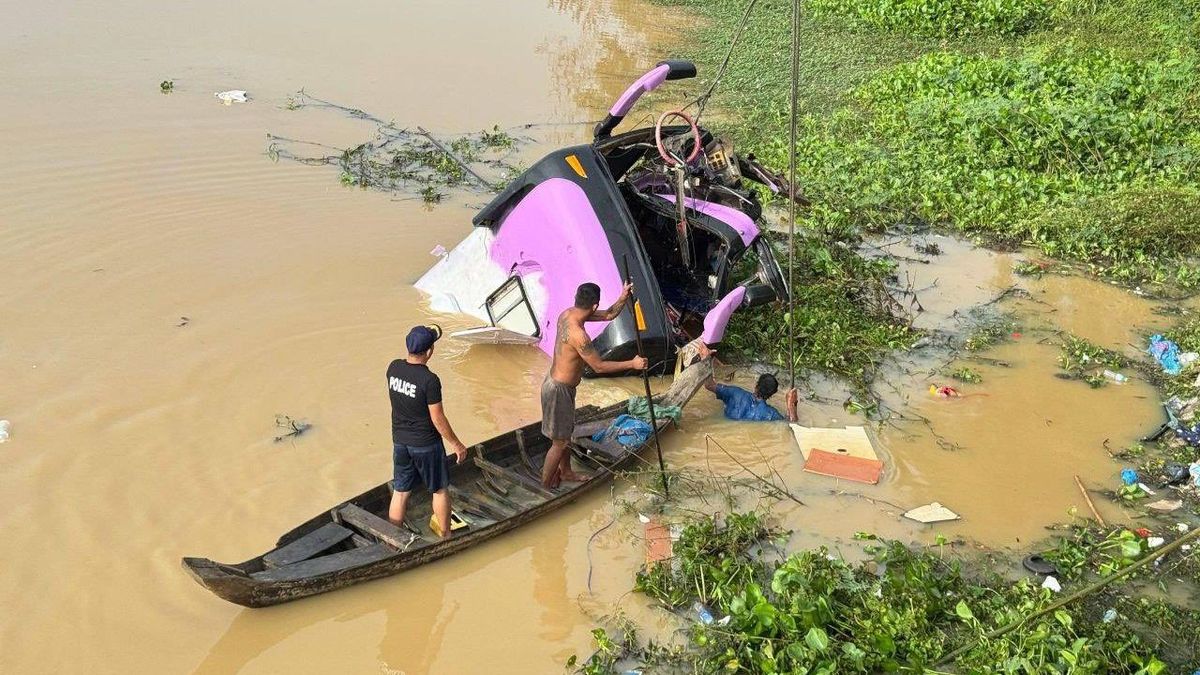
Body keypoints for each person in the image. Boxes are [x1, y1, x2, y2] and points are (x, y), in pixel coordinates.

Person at [541, 281, 648, 488]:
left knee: (565, 434)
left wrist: (624, 296)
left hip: (557, 384)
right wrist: (633, 364)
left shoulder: (567, 314)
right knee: (559, 442)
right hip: (558, 390)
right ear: (594, 306)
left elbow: (609, 315)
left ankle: (566, 472)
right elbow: (599, 367)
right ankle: (545, 488)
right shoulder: (579, 336)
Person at [387, 324, 468, 538]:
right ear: (430, 351)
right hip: (425, 444)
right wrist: (456, 444)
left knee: (400, 490)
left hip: (400, 442)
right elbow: (437, 418)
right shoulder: (429, 380)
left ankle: (391, 539)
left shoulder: (393, 368)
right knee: (439, 489)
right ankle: (447, 537)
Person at [697, 344, 798, 421]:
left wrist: (705, 360)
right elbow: (791, 424)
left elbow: (709, 385)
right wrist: (790, 405)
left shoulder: (735, 393)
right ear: (771, 395)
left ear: (756, 386)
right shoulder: (770, 414)